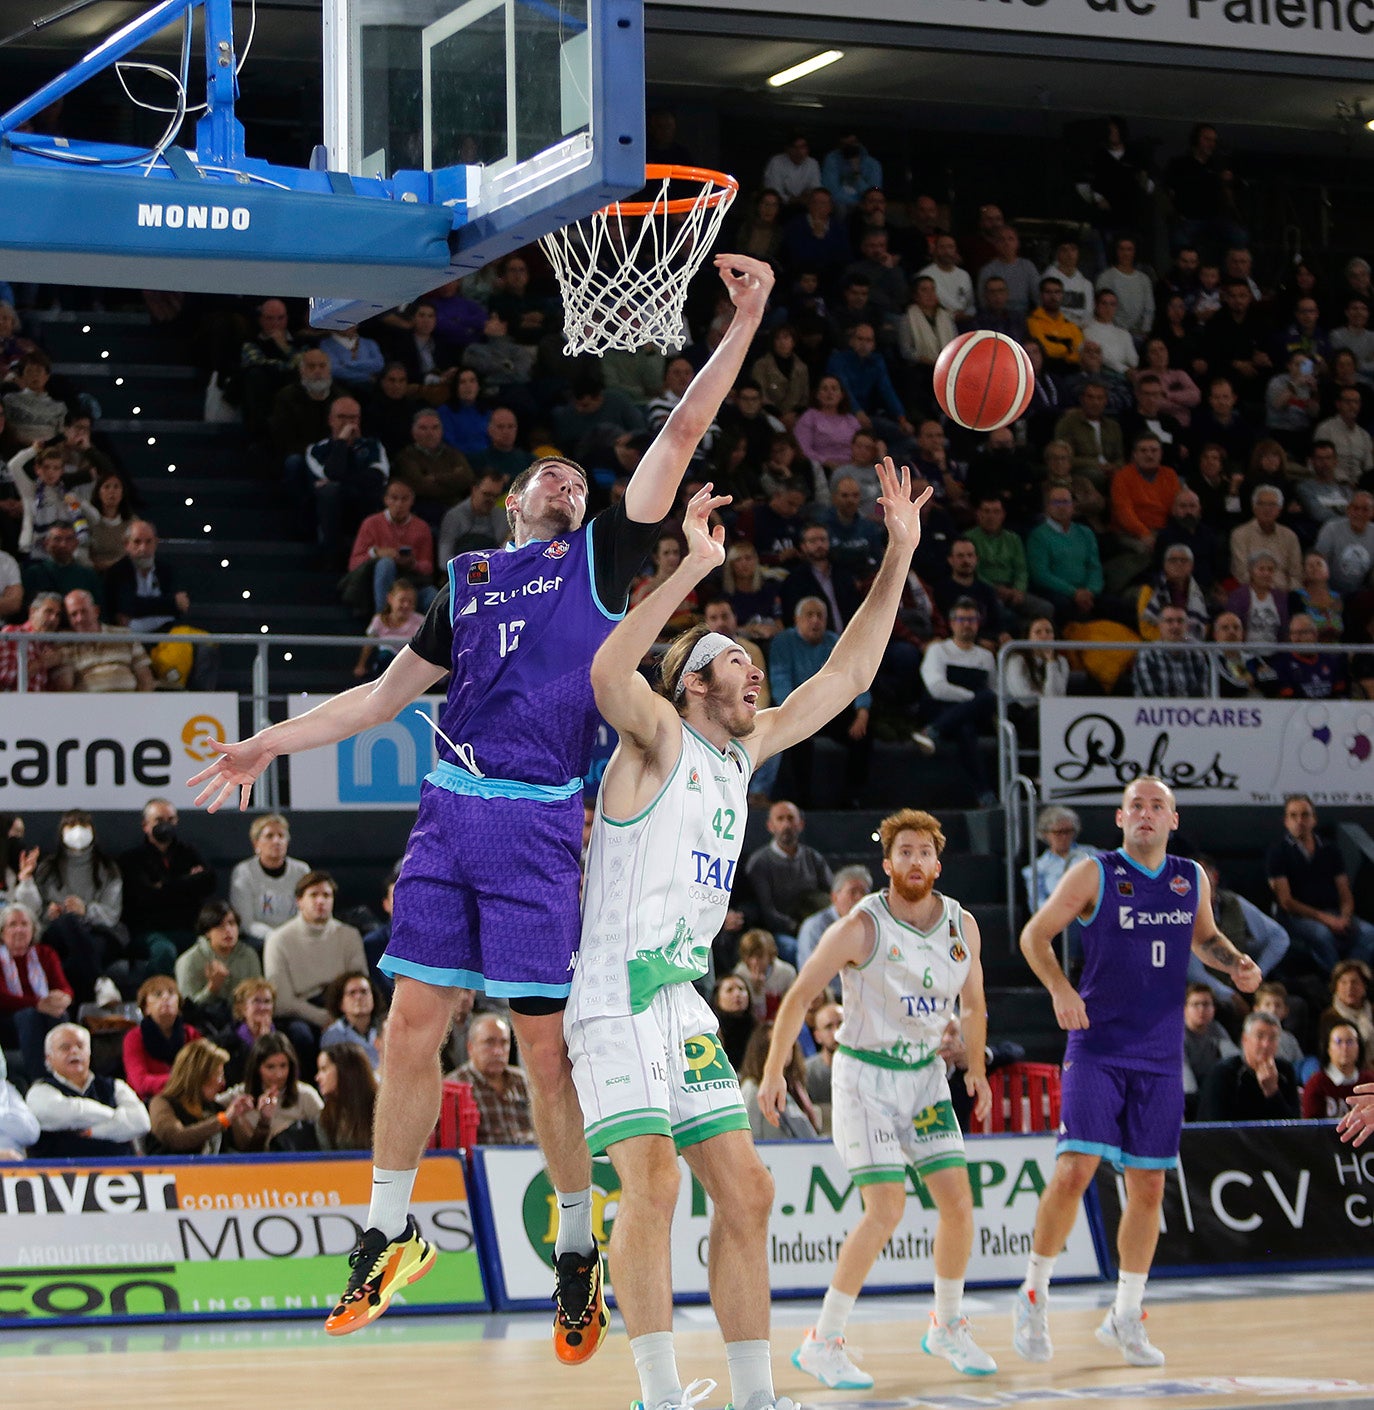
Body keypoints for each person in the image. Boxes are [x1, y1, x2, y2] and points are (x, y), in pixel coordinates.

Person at [187, 252, 777, 1349]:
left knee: (541, 1050)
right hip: (451, 813)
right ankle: (386, 1234)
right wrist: (265, 740)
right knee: (412, 1028)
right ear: (508, 504)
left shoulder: (601, 563)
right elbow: (374, 701)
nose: (563, 479)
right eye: (543, 477)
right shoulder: (466, 589)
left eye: (573, 477)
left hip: (543, 821)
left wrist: (741, 323)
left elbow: (681, 440)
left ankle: (573, 1245)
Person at [565, 462, 929, 1410]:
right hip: (613, 990)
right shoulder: (658, 739)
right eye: (733, 659)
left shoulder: (745, 750)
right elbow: (610, 670)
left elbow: (849, 671)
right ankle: (654, 1396)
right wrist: (692, 569)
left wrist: (898, 554)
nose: (754, 670)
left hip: (678, 995)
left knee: (751, 1194)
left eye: (754, 666)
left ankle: (758, 1396)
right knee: (652, 1189)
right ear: (691, 682)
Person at [1012, 777, 1260, 1368]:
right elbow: (1034, 935)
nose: (1146, 814)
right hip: (1097, 1046)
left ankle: (1126, 1313)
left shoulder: (1190, 877)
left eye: (1158, 806)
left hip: (1159, 1055)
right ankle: (1033, 1295)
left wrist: (1235, 964)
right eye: (1137, 806)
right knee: (1075, 1170)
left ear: (1173, 820)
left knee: (1149, 1186)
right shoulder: (1095, 873)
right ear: (1120, 818)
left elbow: (1204, 939)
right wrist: (1060, 989)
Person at [761, 808, 997, 1386]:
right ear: (887, 864)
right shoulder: (861, 926)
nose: (915, 861)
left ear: (938, 864)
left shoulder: (962, 926)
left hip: (924, 1077)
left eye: (925, 852)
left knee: (959, 1204)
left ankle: (946, 1326)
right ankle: (824, 1339)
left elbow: (974, 1004)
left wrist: (978, 1068)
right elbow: (797, 999)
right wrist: (772, 1074)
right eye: (905, 852)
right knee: (887, 1207)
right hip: (864, 1076)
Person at [1266, 794, 1374, 973]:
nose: (1300, 821)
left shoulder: (1330, 849)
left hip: (1334, 912)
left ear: (1314, 819)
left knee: (1369, 933)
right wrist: (1326, 920)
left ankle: (1353, 976)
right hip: (1297, 918)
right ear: (1286, 821)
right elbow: (1286, 902)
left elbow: (1344, 890)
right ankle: (1335, 980)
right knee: (1322, 934)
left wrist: (1345, 918)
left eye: (1305, 815)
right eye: (1293, 816)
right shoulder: (1277, 852)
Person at [25, 1022, 150, 1158]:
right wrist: (113, 1115)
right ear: (49, 1058)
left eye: (80, 1046)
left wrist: (93, 1131)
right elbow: (70, 1113)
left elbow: (141, 1123)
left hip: (119, 1172)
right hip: (61, 1174)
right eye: (65, 1047)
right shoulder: (39, 1091)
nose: (74, 1051)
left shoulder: (115, 1086)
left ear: (89, 1052)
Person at [263, 871, 367, 1032]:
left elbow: (359, 982)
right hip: (300, 1010)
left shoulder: (350, 935)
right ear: (299, 901)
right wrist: (323, 1018)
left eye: (326, 895)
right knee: (300, 1033)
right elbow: (282, 1001)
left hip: (341, 1006)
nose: (320, 901)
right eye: (313, 895)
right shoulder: (278, 939)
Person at [0, 900, 73, 1081]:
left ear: (33, 930)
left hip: (44, 1013)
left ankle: (66, 1077)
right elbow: (2, 998)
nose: (19, 929)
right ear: (2, 933)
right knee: (29, 1015)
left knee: (59, 1015)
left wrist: (63, 998)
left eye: (24, 924)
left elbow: (64, 988)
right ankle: (39, 1081)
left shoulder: (45, 954)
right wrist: (37, 1004)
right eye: (12, 925)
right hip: (7, 1021)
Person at [146, 1038, 253, 1155]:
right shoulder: (162, 1103)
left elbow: (246, 1146)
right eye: (218, 1076)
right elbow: (175, 1138)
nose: (223, 1083)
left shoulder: (216, 1108)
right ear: (199, 1077)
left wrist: (243, 1117)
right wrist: (224, 1120)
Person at [224, 1030, 323, 1152]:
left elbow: (326, 1134)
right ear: (257, 1068)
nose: (279, 1074)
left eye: (283, 1066)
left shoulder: (306, 1095)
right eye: (270, 1067)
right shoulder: (239, 1096)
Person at [175, 899, 263, 1033]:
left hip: (243, 1023)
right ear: (207, 932)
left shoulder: (248, 955)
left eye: (232, 924)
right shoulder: (189, 961)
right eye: (220, 926)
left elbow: (259, 995)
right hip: (204, 1026)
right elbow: (187, 1012)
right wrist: (211, 989)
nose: (228, 930)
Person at [1197, 1010, 1300, 1121]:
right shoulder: (1223, 1073)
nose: (1266, 1044)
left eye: (1272, 1038)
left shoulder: (1285, 1071)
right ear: (1245, 1040)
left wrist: (1272, 1092)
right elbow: (1215, 1127)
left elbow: (1293, 1128)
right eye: (1260, 1036)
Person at [450, 1011, 535, 1145]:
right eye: (489, 1043)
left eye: (504, 1043)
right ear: (470, 1047)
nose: (498, 1051)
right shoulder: (453, 1088)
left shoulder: (524, 1081)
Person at [229, 813, 309, 944]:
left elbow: (307, 913)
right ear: (256, 844)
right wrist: (277, 937)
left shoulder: (302, 870)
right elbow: (246, 922)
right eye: (269, 836)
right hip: (258, 942)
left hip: (297, 939)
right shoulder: (243, 872)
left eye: (281, 836)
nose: (276, 841)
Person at [122, 973, 202, 1101]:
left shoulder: (191, 1034)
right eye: (158, 994)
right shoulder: (133, 1037)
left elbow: (206, 1073)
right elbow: (140, 1082)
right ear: (146, 1007)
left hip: (188, 1100)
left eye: (171, 993)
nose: (166, 997)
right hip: (147, 1102)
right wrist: (184, 1080)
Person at [795, 866, 872, 973]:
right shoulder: (814, 927)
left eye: (863, 892)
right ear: (834, 897)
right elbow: (810, 971)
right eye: (853, 892)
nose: (859, 898)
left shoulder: (873, 925)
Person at [1301, 1019, 1372, 1120]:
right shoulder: (1316, 1084)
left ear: (1359, 1047)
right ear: (1328, 1049)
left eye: (1350, 1042)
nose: (1345, 1047)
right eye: (1338, 1042)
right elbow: (1311, 1129)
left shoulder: (1369, 1081)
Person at [316, 1043, 379, 1151]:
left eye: (324, 1069)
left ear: (345, 1070)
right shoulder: (326, 1118)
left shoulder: (381, 1110)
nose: (318, 1077)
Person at [320, 969, 384, 1070]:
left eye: (364, 992)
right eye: (352, 993)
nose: (358, 997)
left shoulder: (386, 1028)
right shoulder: (333, 1035)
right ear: (341, 1003)